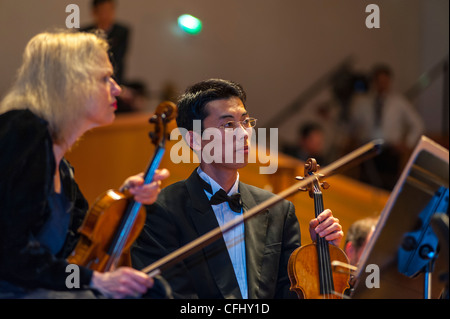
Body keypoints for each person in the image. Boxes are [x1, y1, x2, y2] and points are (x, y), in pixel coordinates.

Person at [131, 78, 344, 299]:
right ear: (194, 140)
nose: (244, 133)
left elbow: (289, 295)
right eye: (228, 124)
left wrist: (323, 255)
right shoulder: (160, 211)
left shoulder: (279, 210)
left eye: (245, 122)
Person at [0, 31, 170, 299]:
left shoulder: (63, 168)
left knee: (152, 291)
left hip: (38, 289)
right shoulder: (22, 130)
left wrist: (126, 197)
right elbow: (8, 251)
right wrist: (96, 281)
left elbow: (80, 248)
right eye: (105, 78)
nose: (118, 88)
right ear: (70, 82)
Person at [349, 64, 424, 190]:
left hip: (390, 151)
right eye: (379, 81)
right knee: (365, 186)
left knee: (387, 186)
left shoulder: (399, 102)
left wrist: (407, 143)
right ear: (374, 82)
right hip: (368, 149)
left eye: (385, 81)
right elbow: (352, 125)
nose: (382, 85)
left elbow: (417, 124)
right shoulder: (363, 102)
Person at [80, 0, 129, 85]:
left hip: (115, 77)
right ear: (94, 12)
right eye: (103, 10)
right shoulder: (85, 33)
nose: (106, 14)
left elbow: (118, 57)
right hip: (91, 78)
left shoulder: (122, 32)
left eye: (109, 10)